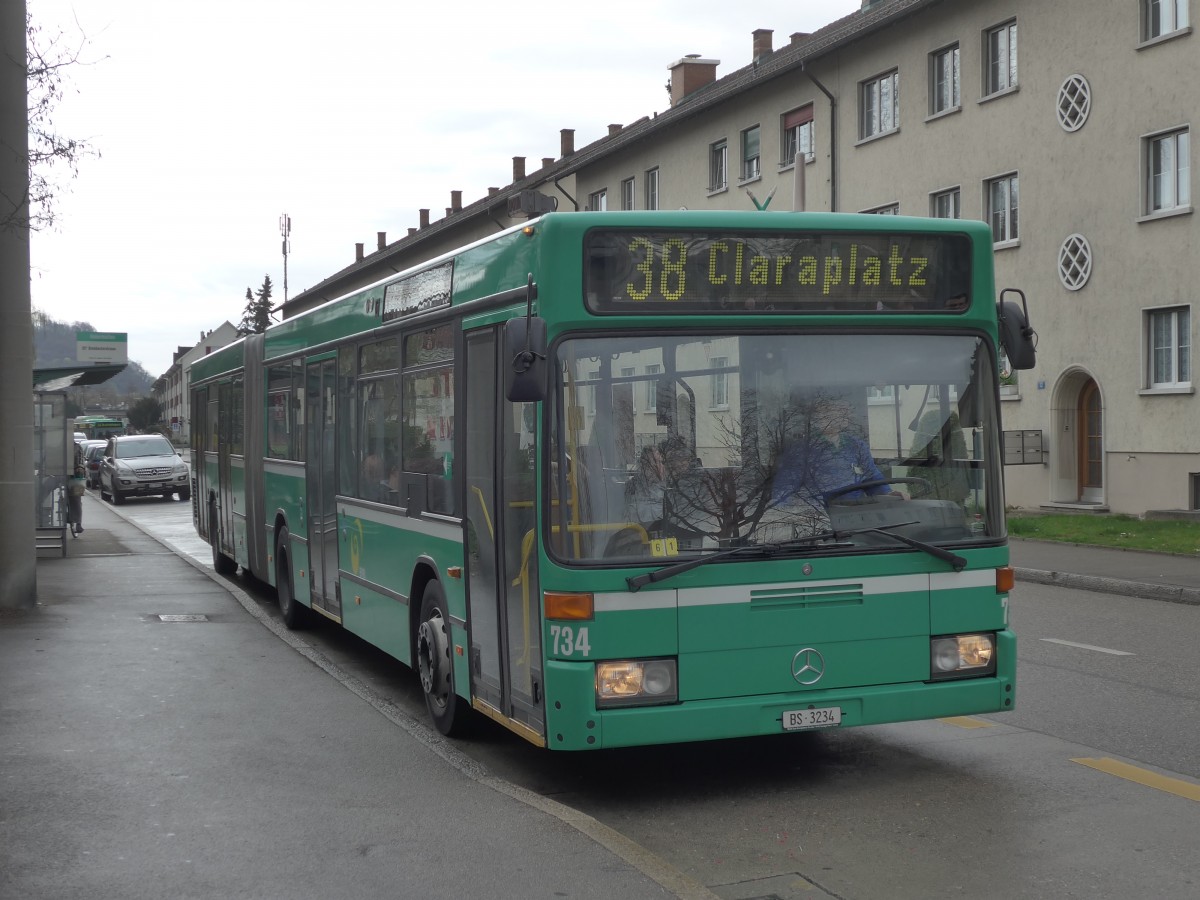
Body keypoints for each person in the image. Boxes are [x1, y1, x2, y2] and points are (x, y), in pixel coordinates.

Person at [772, 396, 893, 507]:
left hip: (856, 513)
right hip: (820, 517)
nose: (844, 415)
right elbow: (785, 490)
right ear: (819, 417)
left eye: (845, 411)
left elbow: (872, 478)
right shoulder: (801, 449)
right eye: (835, 411)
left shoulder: (857, 445)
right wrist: (797, 507)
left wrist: (888, 495)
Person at [67, 465, 87, 536]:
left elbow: (80, 461)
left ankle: (78, 523)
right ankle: (38, 509)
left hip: (73, 475)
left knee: (76, 497)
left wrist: (80, 468)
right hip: (58, 473)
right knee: (45, 486)